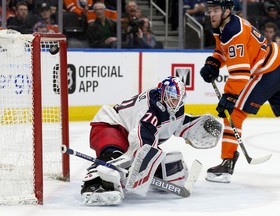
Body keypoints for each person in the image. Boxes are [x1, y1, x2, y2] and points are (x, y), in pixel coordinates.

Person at [80, 76, 223, 205]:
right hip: (111, 126)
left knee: (164, 167)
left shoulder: (172, 107)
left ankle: (143, 174)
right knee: (114, 157)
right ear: (163, 94)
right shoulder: (150, 111)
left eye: (179, 99)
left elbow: (176, 124)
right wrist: (139, 165)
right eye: (172, 97)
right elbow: (142, 142)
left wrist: (196, 125)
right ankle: (95, 183)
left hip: (129, 133)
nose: (176, 102)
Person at [200, 0, 280, 183]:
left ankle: (227, 164)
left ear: (227, 11)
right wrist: (214, 62)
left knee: (234, 112)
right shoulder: (226, 24)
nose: (211, 14)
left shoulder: (232, 32)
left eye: (216, 10)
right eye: (210, 10)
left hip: (266, 71)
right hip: (276, 61)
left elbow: (241, 73)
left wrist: (229, 96)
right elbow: (222, 50)